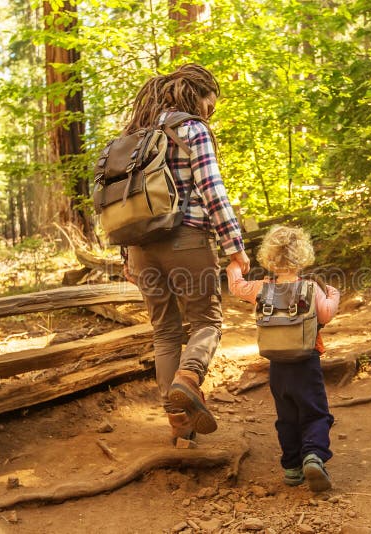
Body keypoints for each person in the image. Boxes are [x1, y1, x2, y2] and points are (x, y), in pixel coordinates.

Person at [123, 64, 251, 447]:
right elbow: (212, 189)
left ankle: (179, 420)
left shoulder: (134, 135)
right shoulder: (192, 130)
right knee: (207, 323)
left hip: (140, 247)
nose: (211, 112)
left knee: (164, 332)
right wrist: (234, 247)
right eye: (210, 103)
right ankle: (188, 379)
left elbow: (119, 201)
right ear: (196, 95)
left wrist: (126, 256)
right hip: (187, 238)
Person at [226, 225, 340, 492]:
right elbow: (324, 315)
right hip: (307, 361)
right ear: (303, 256)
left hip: (277, 364)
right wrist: (334, 295)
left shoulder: (261, 288)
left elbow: (236, 287)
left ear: (269, 257)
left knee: (286, 416)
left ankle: (291, 468)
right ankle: (313, 455)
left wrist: (235, 264)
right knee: (315, 414)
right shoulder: (311, 287)